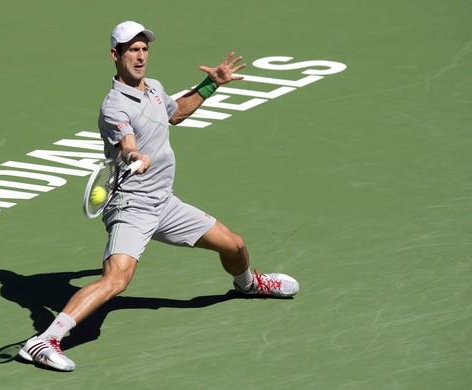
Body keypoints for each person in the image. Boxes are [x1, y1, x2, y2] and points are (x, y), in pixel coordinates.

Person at [19, 20, 299, 372]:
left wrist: (211, 83)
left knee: (235, 245)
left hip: (164, 203)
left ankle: (248, 285)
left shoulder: (153, 88)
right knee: (116, 280)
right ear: (114, 55)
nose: (139, 56)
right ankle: (42, 341)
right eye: (131, 50)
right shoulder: (113, 107)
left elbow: (176, 113)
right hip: (131, 206)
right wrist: (136, 157)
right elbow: (127, 145)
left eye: (144, 49)